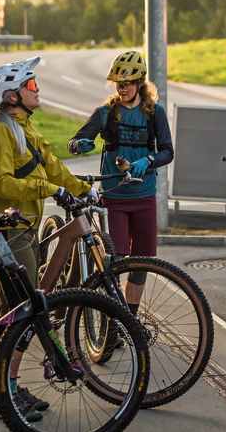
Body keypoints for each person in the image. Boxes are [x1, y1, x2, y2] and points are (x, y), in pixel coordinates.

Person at [0, 56, 92, 422]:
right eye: (30, 85)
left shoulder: (24, 126)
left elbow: (53, 165)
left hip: (25, 228)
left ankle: (9, 387)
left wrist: (82, 190)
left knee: (23, 310)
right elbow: (1, 183)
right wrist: (49, 190)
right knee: (21, 315)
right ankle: (5, 395)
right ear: (11, 96)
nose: (37, 89)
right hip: (10, 231)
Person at [68, 50, 173, 315]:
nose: (122, 88)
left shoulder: (154, 113)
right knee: (114, 261)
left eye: (127, 83)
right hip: (115, 198)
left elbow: (168, 152)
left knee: (141, 262)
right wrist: (82, 144)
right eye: (118, 83)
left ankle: (130, 317)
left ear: (140, 83)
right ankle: (113, 319)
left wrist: (148, 160)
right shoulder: (105, 113)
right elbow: (74, 142)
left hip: (144, 195)